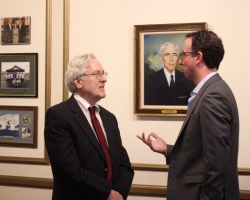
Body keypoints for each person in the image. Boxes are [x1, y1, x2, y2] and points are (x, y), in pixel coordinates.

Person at [137, 30, 240, 200]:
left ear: (198, 57)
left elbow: (216, 166)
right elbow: (200, 154)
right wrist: (168, 150)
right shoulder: (211, 91)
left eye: (183, 55)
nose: (180, 60)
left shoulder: (213, 96)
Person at [45, 53, 134, 200]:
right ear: (78, 82)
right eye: (97, 74)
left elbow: (124, 163)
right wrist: (107, 193)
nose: (104, 79)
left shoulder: (109, 118)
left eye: (103, 74)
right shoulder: (58, 115)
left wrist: (119, 193)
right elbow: (69, 169)